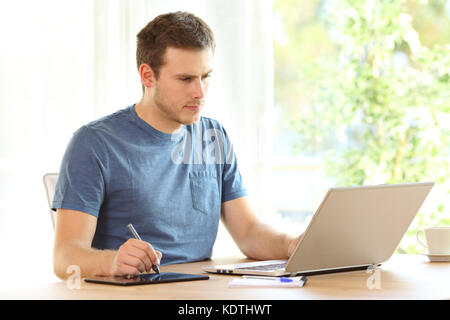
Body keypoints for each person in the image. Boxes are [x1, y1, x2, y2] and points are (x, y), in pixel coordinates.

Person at [52, 11, 302, 279]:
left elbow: (249, 233)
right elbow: (65, 256)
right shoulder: (95, 143)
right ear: (148, 76)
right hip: (137, 293)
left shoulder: (212, 135)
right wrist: (114, 262)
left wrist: (292, 245)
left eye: (206, 76)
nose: (200, 92)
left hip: (199, 289)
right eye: (186, 79)